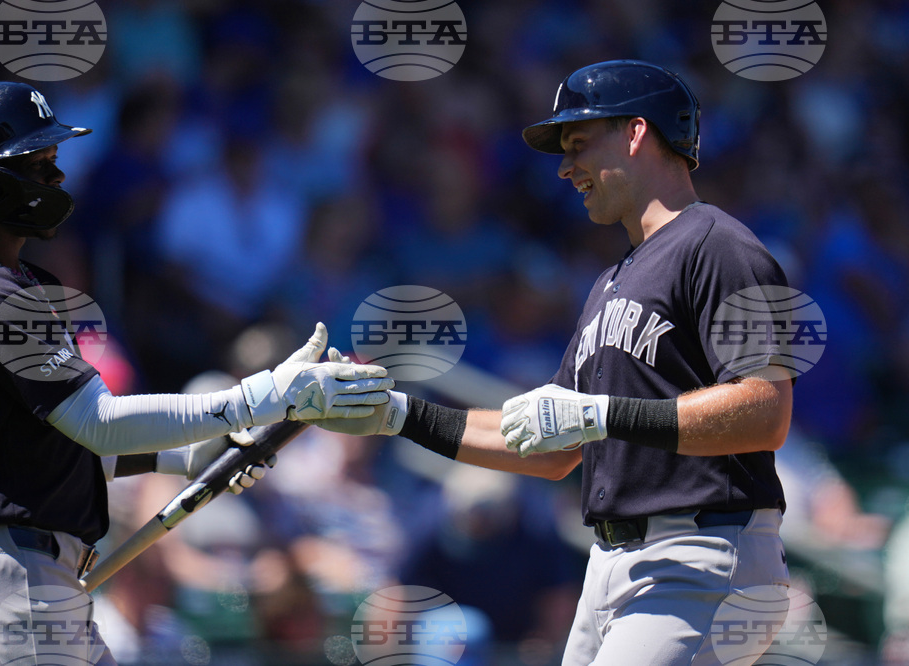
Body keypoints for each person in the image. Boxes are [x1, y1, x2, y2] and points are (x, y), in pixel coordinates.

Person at [319, 60, 794, 664]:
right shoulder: (610, 282)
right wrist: (394, 414)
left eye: (578, 143)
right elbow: (546, 446)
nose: (566, 167)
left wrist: (600, 415)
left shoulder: (720, 246)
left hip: (701, 552)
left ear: (636, 132)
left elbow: (764, 410)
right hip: (615, 566)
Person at [0, 81, 393, 665]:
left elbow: (54, 445)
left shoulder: (6, 281)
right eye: (36, 165)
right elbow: (101, 424)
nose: (56, 179)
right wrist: (262, 397)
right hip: (7, 578)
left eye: (53, 162)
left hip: (34, 575)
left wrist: (188, 458)